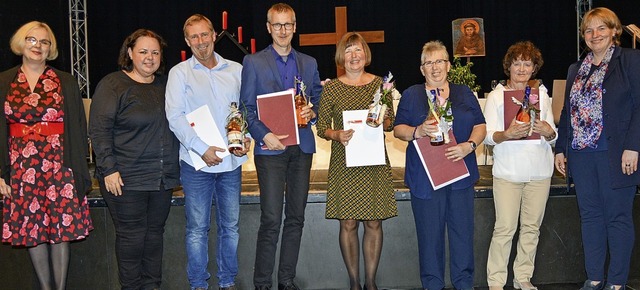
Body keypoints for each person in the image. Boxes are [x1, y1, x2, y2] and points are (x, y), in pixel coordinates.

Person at [0, 21, 92, 290]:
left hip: (59, 166)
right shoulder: (3, 81)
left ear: (50, 48)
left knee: (60, 230)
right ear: (21, 43)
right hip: (19, 168)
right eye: (32, 40)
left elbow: (77, 126)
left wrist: (78, 170)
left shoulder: (65, 81)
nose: (37, 46)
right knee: (32, 230)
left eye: (44, 42)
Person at [554, 7, 640, 290]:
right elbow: (568, 111)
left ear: (614, 31)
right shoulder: (575, 68)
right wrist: (560, 149)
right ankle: (593, 278)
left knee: (617, 217)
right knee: (590, 217)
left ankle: (616, 281)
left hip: (616, 154)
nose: (595, 35)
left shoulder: (630, 60)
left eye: (601, 28)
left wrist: (633, 147)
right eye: (589, 30)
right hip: (581, 154)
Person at [239, 3, 322, 290]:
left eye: (288, 25)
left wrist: (314, 112)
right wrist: (264, 135)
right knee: (272, 218)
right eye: (277, 25)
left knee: (296, 217)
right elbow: (247, 108)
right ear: (268, 27)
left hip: (301, 148)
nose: (283, 30)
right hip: (270, 149)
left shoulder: (309, 63)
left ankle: (286, 279)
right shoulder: (253, 62)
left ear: (295, 27)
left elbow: (319, 100)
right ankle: (262, 282)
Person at [89, 28, 179, 290]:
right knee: (132, 239)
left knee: (154, 238)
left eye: (155, 52)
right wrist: (108, 169)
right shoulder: (113, 85)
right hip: (125, 179)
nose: (149, 58)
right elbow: (99, 129)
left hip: (161, 179)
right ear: (129, 53)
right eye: (143, 51)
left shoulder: (166, 85)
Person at [165, 14, 250, 290]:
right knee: (197, 231)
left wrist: (246, 137)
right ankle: (198, 284)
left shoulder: (237, 69)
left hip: (231, 164)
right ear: (188, 41)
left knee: (231, 229)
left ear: (214, 35)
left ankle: (227, 282)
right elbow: (175, 117)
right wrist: (201, 150)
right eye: (194, 37)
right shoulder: (179, 73)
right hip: (196, 166)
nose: (201, 42)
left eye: (205, 35)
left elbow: (246, 110)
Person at [393, 40, 485, 290]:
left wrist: (470, 146)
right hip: (425, 181)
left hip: (460, 177)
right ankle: (432, 285)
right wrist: (418, 130)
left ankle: (464, 284)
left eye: (440, 61)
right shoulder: (411, 94)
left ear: (448, 65)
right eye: (429, 63)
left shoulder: (464, 92)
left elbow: (480, 125)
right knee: (429, 239)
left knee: (462, 237)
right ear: (422, 69)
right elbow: (398, 129)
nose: (435, 68)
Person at [316, 32, 397, 290]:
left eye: (358, 50)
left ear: (366, 54)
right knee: (348, 223)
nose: (354, 56)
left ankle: (371, 282)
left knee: (374, 221)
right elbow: (320, 128)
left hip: (373, 162)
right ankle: (354, 283)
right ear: (342, 56)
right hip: (345, 162)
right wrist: (336, 134)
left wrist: (381, 120)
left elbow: (389, 123)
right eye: (348, 51)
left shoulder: (380, 85)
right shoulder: (331, 87)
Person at [483, 41, 556, 290]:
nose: (522, 69)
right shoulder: (496, 97)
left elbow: (553, 133)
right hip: (508, 173)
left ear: (534, 67)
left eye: (527, 64)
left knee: (531, 229)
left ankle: (523, 277)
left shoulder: (542, 96)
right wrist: (507, 134)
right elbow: (488, 136)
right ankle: (496, 281)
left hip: (540, 172)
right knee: (504, 228)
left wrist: (548, 131)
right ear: (509, 67)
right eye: (517, 64)